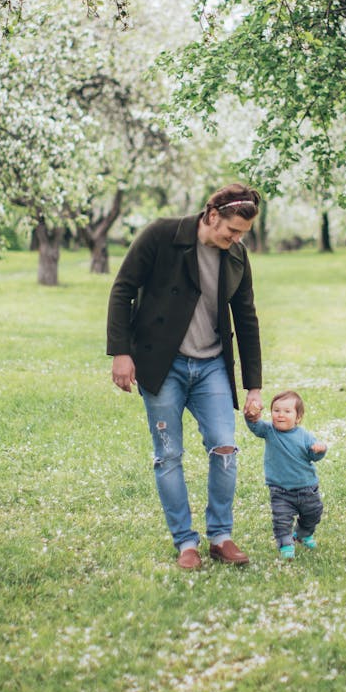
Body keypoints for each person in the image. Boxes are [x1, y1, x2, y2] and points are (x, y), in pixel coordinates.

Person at [107, 184, 263, 570]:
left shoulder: (236, 257)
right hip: (163, 365)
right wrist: (121, 352)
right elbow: (122, 289)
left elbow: (246, 319)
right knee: (168, 455)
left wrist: (254, 386)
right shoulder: (162, 235)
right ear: (212, 216)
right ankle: (185, 542)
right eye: (232, 231)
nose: (236, 238)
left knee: (225, 448)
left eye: (243, 233)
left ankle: (221, 536)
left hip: (212, 366)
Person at [244, 389, 327, 559]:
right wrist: (251, 415)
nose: (280, 415)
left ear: (298, 417)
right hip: (280, 490)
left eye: (287, 411)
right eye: (276, 411)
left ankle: (303, 534)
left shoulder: (304, 436)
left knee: (314, 513)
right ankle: (285, 543)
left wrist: (319, 450)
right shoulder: (269, 430)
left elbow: (314, 455)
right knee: (281, 520)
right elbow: (255, 426)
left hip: (307, 488)